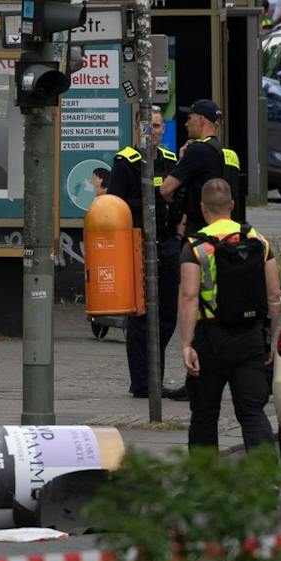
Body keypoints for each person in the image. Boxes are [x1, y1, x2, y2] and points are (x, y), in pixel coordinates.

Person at [177, 178, 278, 452]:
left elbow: (189, 296)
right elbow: (273, 297)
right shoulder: (259, 241)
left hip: (210, 339)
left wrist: (186, 344)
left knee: (204, 413)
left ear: (202, 207)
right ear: (232, 205)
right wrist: (268, 339)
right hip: (250, 336)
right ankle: (266, 471)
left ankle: (204, 474)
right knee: (252, 411)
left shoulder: (196, 246)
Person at [104, 106, 183, 398]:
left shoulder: (170, 160)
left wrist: (178, 231)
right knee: (140, 315)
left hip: (167, 243)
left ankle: (154, 377)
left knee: (167, 315)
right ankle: (142, 382)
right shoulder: (126, 162)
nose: (154, 131)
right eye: (149, 126)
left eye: (159, 126)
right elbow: (115, 205)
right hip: (137, 245)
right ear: (139, 128)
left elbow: (180, 200)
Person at [161, 99, 242, 236]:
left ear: (201, 120)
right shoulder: (228, 154)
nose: (186, 124)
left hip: (202, 233)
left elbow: (166, 189)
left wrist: (181, 160)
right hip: (228, 231)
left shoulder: (197, 150)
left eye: (189, 118)